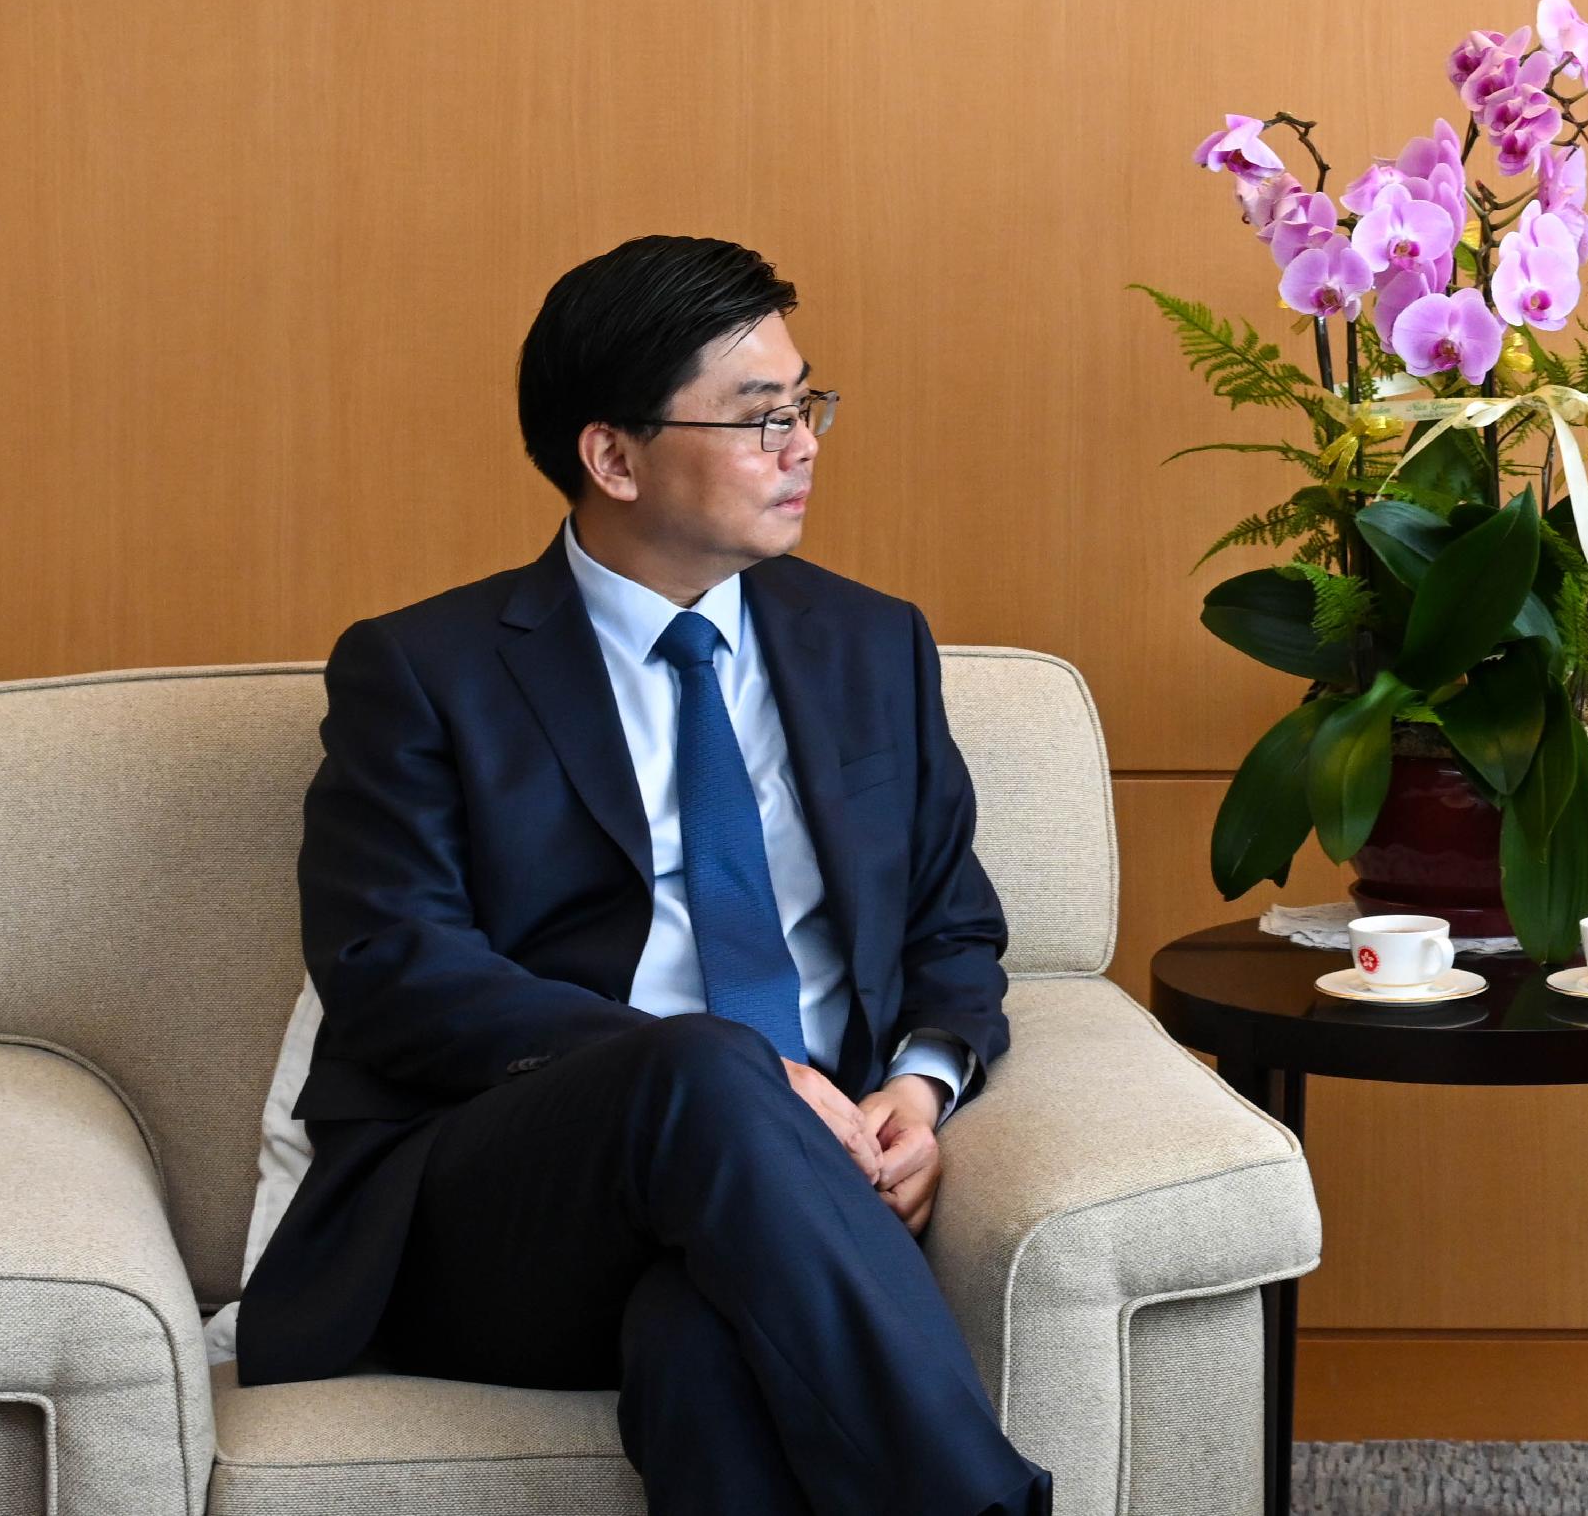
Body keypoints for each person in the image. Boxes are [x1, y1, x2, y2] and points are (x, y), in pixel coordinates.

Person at [234, 236, 1046, 1516]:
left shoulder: (870, 646)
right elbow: (393, 968)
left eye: (807, 402)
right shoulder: (422, 672)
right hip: (505, 1211)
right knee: (702, 1061)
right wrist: (737, 1077)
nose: (804, 444)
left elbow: (953, 923)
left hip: (786, 1201)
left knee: (707, 1346)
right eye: (756, 417)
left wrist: (918, 1085)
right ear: (611, 457)